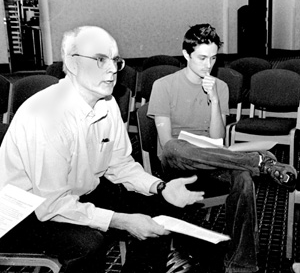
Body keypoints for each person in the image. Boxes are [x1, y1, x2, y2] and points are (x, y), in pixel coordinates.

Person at [0, 26, 205, 273]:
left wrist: (160, 187)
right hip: (22, 211)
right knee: (89, 243)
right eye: (100, 59)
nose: (112, 69)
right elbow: (51, 206)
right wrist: (122, 221)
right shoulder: (46, 115)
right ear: (72, 64)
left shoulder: (106, 103)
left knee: (156, 206)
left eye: (115, 60)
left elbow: (120, 165)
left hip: (75, 192)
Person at [148, 23, 297, 273]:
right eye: (202, 58)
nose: (208, 64)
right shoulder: (163, 86)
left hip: (215, 158)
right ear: (186, 55)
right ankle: (258, 161)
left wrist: (214, 100)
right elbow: (165, 144)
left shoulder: (221, 86)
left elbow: (218, 138)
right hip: (178, 161)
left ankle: (241, 264)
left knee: (242, 177)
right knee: (176, 146)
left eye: (213, 58)